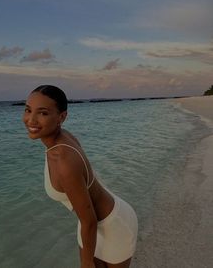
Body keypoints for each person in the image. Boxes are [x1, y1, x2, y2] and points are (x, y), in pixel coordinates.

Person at [22, 85, 138, 268]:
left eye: (42, 113)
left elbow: (89, 219)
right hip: (90, 224)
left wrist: (86, 262)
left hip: (113, 224)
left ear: (61, 117)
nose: (31, 119)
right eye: (28, 110)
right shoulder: (59, 138)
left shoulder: (63, 159)